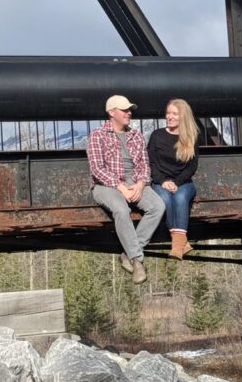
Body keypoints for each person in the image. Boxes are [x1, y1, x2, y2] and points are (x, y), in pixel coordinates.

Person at [87, 94, 165, 284]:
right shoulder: (97, 135)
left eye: (129, 110)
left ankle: (128, 254)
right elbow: (97, 169)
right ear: (111, 113)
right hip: (106, 184)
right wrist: (121, 187)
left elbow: (144, 165)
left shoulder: (135, 135)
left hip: (134, 182)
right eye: (124, 110)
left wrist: (139, 184)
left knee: (158, 206)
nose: (129, 113)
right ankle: (138, 261)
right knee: (122, 210)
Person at [148, 98, 203, 260]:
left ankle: (177, 247)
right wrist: (163, 181)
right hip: (160, 182)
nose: (169, 117)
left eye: (174, 114)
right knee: (164, 199)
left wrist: (177, 182)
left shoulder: (192, 137)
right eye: (168, 113)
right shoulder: (157, 135)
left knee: (179, 197)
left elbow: (192, 167)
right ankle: (181, 244)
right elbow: (151, 163)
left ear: (183, 117)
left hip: (184, 183)